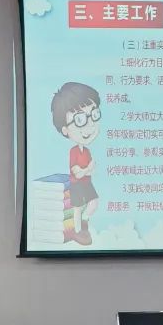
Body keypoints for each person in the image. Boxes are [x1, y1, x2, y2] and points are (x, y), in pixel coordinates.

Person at [51, 81, 102, 246]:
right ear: (65, 130)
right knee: (77, 208)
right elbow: (77, 173)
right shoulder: (73, 151)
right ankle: (78, 231)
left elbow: (89, 170)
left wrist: (88, 170)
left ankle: (84, 223)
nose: (90, 124)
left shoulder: (86, 151)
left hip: (87, 183)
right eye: (80, 119)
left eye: (94, 115)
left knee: (93, 203)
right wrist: (88, 169)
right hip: (77, 185)